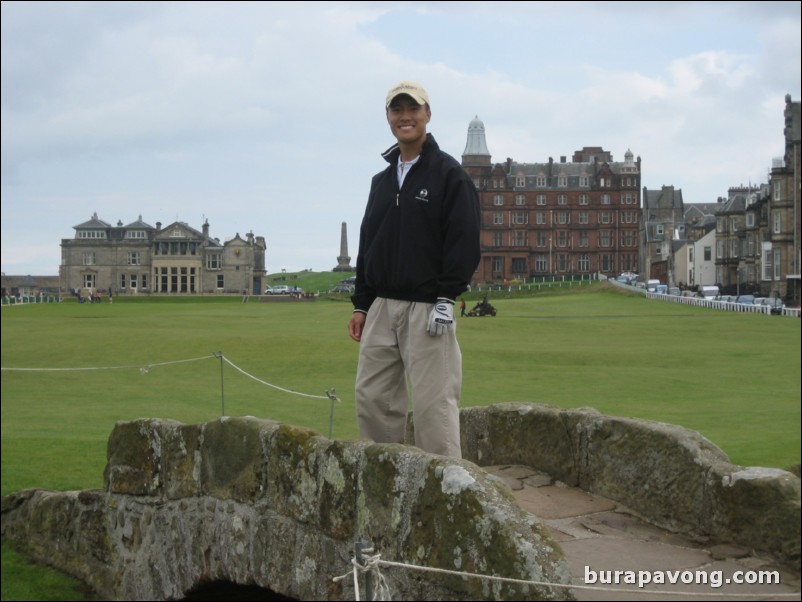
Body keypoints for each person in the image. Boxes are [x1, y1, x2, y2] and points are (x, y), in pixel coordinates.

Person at [348, 80, 481, 458]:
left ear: (427, 114)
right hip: (381, 307)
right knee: (372, 400)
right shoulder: (383, 180)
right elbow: (368, 243)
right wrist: (362, 303)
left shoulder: (449, 174)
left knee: (433, 407)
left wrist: (446, 296)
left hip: (428, 308)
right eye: (397, 110)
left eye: (413, 109)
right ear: (389, 117)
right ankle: (385, 486)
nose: (405, 117)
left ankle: (442, 492)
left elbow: (464, 238)